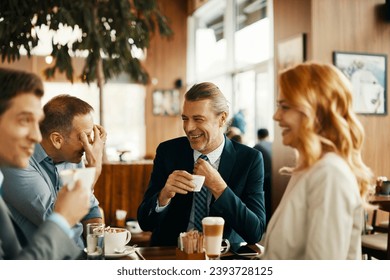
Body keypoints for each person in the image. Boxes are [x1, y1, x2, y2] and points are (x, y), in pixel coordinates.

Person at [260, 62, 373, 259]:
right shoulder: (308, 170)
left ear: (317, 112)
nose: (276, 116)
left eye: (285, 107)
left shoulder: (330, 174)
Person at [137, 82, 266, 246]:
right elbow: (145, 223)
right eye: (185, 119)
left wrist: (219, 188)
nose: (189, 127)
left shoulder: (250, 160)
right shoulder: (168, 152)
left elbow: (255, 232)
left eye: (198, 119)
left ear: (222, 118)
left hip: (222, 259)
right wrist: (164, 196)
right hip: (172, 255)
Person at [0, 67, 90, 259]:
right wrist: (62, 219)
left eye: (37, 123)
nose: (36, 136)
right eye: (25, 120)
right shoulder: (14, 169)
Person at [1, 94, 106, 249]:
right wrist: (93, 171)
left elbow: (90, 210)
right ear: (57, 140)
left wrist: (98, 250)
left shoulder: (72, 158)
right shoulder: (17, 163)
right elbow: (59, 221)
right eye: (84, 137)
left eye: (91, 135)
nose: (89, 144)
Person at [253, 128, 272, 225]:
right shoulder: (272, 145)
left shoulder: (257, 146)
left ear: (258, 136)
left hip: (265, 180)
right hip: (274, 178)